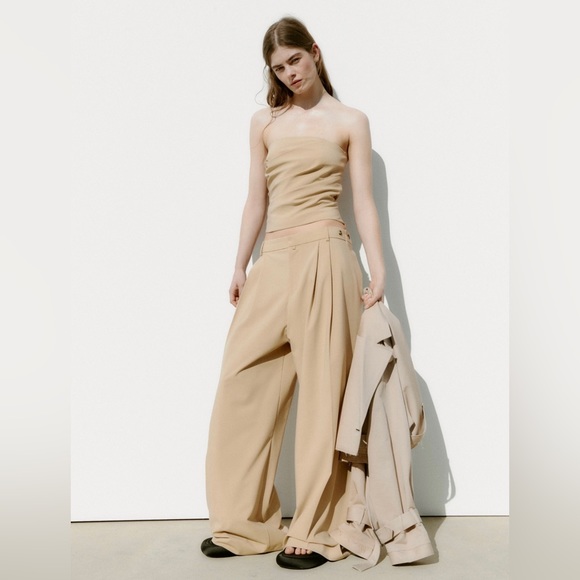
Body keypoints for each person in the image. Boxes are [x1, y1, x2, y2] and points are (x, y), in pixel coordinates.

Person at [201, 16, 386, 570]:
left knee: (325, 395)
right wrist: (240, 264)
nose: (289, 73)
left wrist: (379, 270)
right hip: (274, 260)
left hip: (328, 254)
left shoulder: (351, 120)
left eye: (295, 61)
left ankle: (317, 529)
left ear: (315, 53)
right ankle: (244, 523)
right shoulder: (264, 122)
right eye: (278, 68)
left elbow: (364, 201)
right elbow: (255, 199)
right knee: (241, 383)